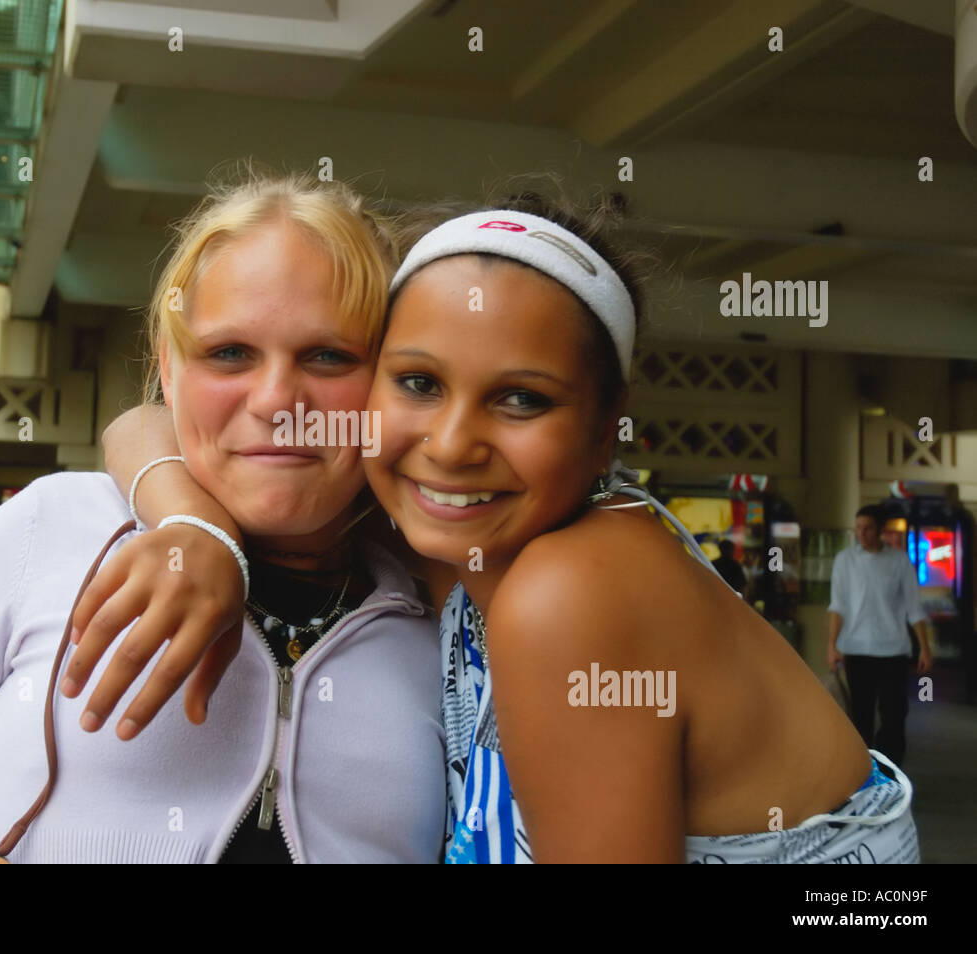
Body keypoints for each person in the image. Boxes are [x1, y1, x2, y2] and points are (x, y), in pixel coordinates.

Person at [89, 194, 921, 863]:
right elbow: (142, 423)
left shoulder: (571, 592)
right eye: (417, 382)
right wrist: (197, 528)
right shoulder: (462, 541)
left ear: (606, 429)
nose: (451, 445)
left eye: (522, 398)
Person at [0, 172, 446, 864]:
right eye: (229, 353)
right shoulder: (52, 529)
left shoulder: (445, 603)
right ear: (170, 372)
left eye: (329, 356)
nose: (275, 399)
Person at [828, 504, 932, 766]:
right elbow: (837, 606)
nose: (862, 533)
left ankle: (890, 767)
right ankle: (862, 769)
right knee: (860, 714)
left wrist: (925, 648)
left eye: (868, 528)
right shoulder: (845, 560)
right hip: (856, 648)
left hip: (893, 650)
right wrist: (832, 645)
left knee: (894, 714)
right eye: (858, 528)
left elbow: (913, 607)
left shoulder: (898, 561)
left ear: (880, 531)